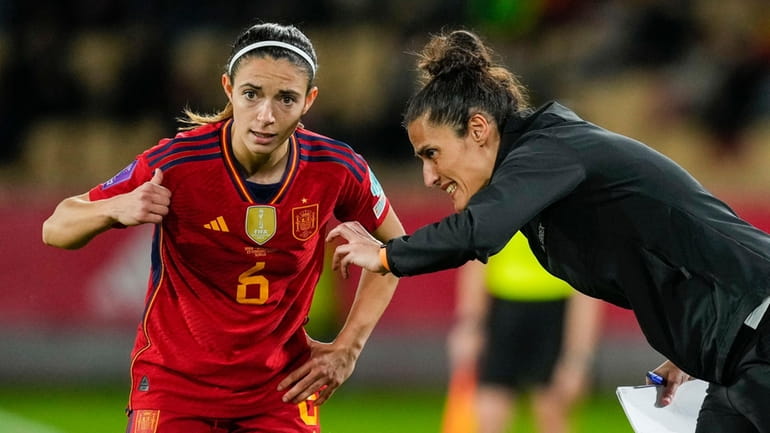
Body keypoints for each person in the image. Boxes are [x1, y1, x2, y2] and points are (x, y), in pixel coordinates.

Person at [326, 29, 770, 433]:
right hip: (731, 352)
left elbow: (476, 232)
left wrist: (386, 255)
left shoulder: (549, 149)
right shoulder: (542, 174)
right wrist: (687, 351)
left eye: (432, 153)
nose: (428, 176)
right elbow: (669, 254)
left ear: (478, 129)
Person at [42, 22, 405, 433]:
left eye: (286, 98)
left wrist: (348, 347)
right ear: (229, 89)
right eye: (252, 94)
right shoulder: (178, 163)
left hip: (279, 392)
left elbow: (398, 248)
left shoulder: (336, 168)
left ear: (309, 101)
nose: (266, 116)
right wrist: (115, 208)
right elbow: (56, 226)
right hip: (174, 387)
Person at [445, 232, 602, 433]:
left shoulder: (572, 207)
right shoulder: (497, 202)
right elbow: (477, 258)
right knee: (488, 412)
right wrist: (469, 324)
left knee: (552, 409)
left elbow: (588, 284)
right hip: (501, 310)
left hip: (557, 312)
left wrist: (579, 356)